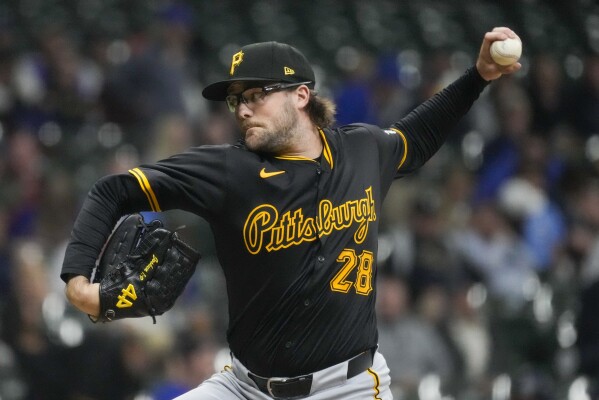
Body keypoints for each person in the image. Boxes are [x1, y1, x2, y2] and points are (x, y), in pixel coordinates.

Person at [61, 27, 521, 400]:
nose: (242, 109)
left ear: (300, 95)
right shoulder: (228, 170)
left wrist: (478, 76)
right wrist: (78, 281)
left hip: (349, 388)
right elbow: (113, 191)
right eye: (236, 100)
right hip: (244, 388)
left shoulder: (363, 151)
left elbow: (420, 133)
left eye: (255, 94)